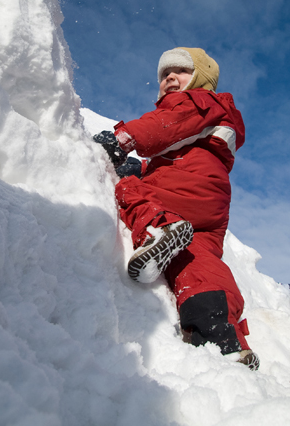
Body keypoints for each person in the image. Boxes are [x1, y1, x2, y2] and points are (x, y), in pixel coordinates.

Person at [94, 47, 259, 370]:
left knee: (127, 188)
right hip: (209, 205)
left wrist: (121, 140)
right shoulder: (216, 116)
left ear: (201, 79)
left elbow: (165, 124)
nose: (169, 77)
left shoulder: (201, 101)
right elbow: (172, 155)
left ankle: (160, 226)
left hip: (185, 187)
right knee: (198, 262)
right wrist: (142, 168)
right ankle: (222, 336)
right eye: (164, 74)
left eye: (181, 71)